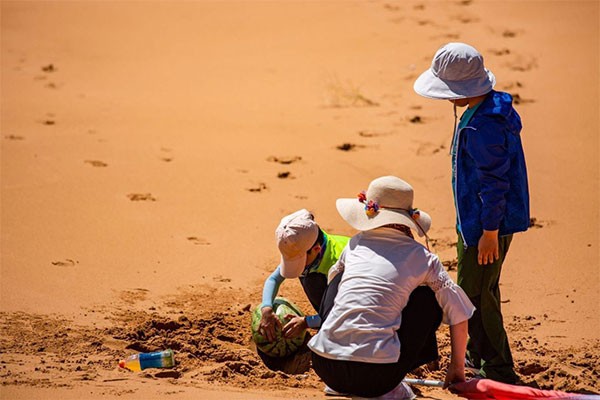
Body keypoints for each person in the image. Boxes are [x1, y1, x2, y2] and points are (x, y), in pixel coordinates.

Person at [413, 42, 530, 384]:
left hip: (485, 226)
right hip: (478, 223)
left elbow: (494, 183)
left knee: (474, 295)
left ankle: (496, 368)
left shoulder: (485, 127)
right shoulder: (487, 110)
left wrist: (489, 233)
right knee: (478, 289)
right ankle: (481, 357)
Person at [308, 176, 475, 399]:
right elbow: (459, 313)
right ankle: (392, 386)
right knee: (428, 297)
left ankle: (343, 369)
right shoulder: (423, 257)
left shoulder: (355, 243)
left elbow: (332, 283)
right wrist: (457, 368)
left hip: (325, 366)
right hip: (378, 375)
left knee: (338, 279)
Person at [259, 209, 349, 342]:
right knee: (307, 272)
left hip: (362, 314)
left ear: (316, 250)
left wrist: (307, 322)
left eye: (299, 260)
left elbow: (346, 312)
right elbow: (273, 279)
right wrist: (266, 308)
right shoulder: (304, 243)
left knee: (310, 277)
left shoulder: (340, 263)